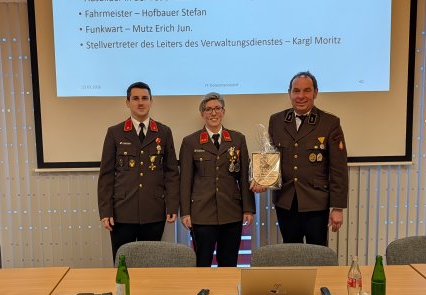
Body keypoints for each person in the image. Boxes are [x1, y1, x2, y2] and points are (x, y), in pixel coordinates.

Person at [97, 81, 180, 261]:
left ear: (151, 101)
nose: (140, 103)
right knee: (123, 264)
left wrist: (173, 205)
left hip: (154, 211)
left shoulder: (164, 132)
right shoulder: (115, 133)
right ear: (127, 102)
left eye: (145, 98)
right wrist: (105, 211)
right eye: (135, 98)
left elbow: (171, 173)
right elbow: (106, 176)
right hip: (122, 213)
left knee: (150, 264)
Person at [264, 71, 348, 245]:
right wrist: (261, 179)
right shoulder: (277, 120)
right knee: (291, 252)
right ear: (289, 93)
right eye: (296, 91)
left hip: (316, 202)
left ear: (315, 93)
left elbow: (338, 168)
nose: (300, 96)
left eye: (307, 90)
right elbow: (271, 158)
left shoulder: (329, 123)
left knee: (317, 253)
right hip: (285, 201)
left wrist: (337, 208)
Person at [180, 93, 255, 267]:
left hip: (231, 213)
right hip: (201, 215)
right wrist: (185, 212)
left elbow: (244, 176)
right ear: (202, 114)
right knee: (202, 263)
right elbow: (185, 180)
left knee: (229, 264)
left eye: (217, 108)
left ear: (223, 111)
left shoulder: (237, 139)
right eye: (208, 109)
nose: (213, 113)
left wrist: (248, 208)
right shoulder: (190, 142)